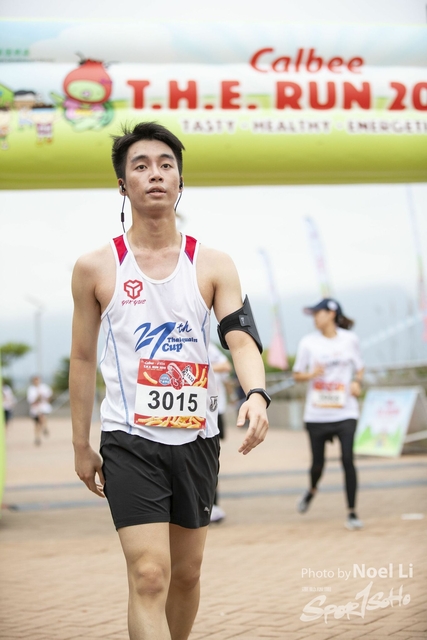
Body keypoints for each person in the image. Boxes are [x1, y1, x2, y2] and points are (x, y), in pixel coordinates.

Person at [69, 121, 270, 640]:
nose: (155, 174)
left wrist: (256, 393)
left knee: (186, 575)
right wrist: (80, 444)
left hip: (197, 437)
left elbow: (240, 338)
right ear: (123, 185)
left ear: (181, 180)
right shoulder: (96, 267)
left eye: (166, 165)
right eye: (141, 166)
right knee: (149, 575)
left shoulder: (213, 264)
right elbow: (83, 358)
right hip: (129, 439)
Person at [292, 298, 364, 531]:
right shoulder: (308, 342)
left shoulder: (350, 340)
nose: (315, 318)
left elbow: (360, 367)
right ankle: (312, 490)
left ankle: (352, 512)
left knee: (347, 460)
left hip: (345, 412)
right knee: (318, 465)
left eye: (318, 313)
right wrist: (312, 374)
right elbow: (296, 374)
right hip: (317, 415)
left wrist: (357, 382)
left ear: (331, 313)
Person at [208, 342, 232, 523]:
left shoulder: (208, 346)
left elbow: (226, 366)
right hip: (185, 412)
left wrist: (203, 368)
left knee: (211, 458)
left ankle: (213, 505)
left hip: (214, 410)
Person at [26, 375, 52, 446]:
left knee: (42, 416)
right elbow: (31, 400)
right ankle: (37, 437)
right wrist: (37, 397)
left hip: (43, 408)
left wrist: (45, 398)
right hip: (35, 409)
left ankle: (44, 428)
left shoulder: (44, 387)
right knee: (37, 425)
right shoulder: (31, 389)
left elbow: (49, 396)